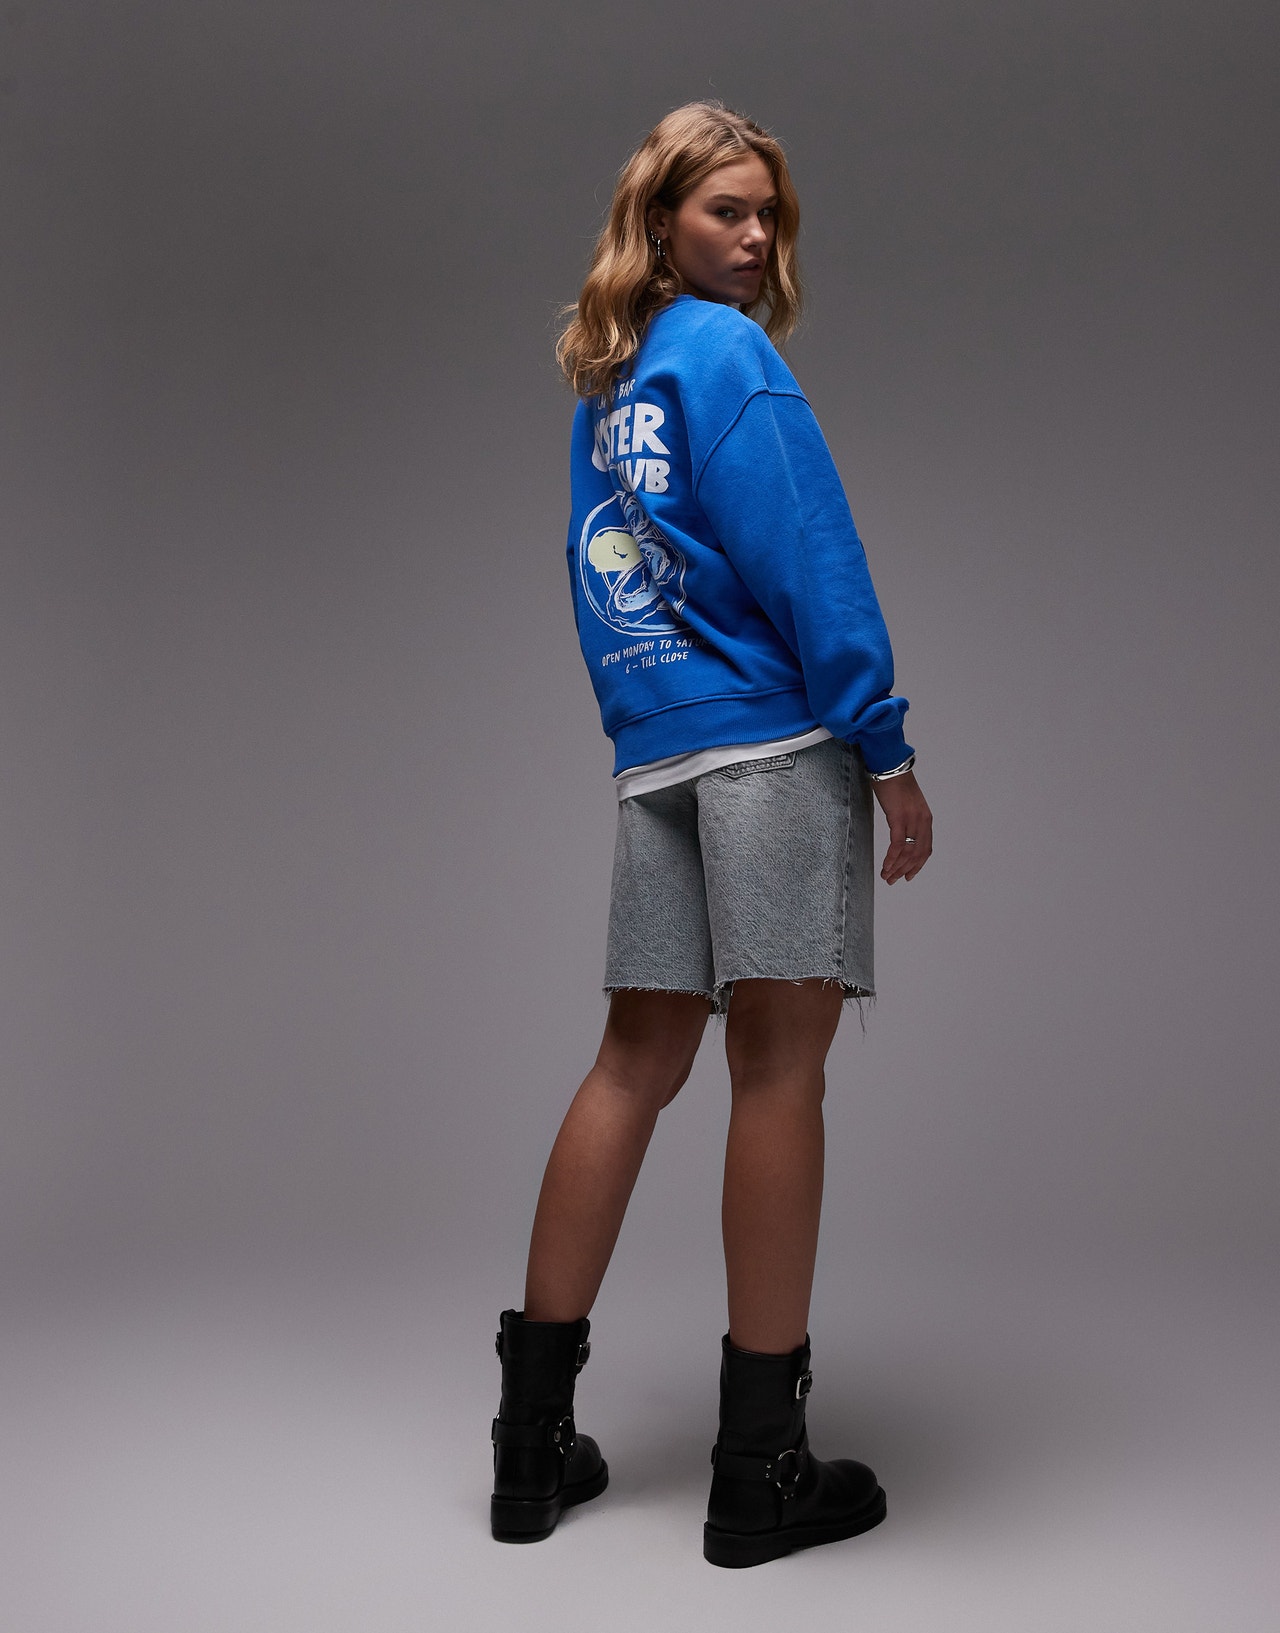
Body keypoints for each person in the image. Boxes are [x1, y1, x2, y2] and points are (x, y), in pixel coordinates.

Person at [489, 101, 933, 1569]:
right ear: (661, 217)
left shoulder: (607, 388)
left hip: (659, 754)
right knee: (779, 1072)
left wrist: (645, 724)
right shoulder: (727, 356)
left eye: (766, 214)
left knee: (632, 1062)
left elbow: (596, 573)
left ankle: (530, 1448)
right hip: (774, 745)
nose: (753, 237)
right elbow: (809, 553)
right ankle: (761, 1473)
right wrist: (884, 746)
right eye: (725, 210)